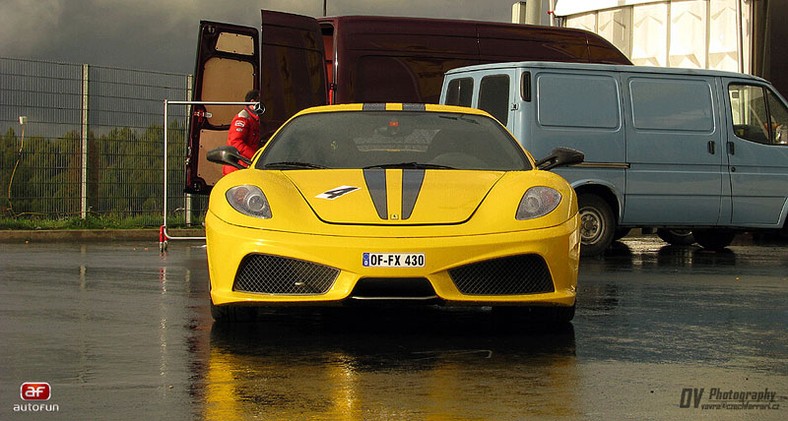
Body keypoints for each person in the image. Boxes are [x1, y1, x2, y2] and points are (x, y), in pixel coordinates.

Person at [223, 89, 263, 175]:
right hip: (237, 168)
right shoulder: (243, 118)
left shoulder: (254, 119)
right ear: (252, 102)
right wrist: (256, 157)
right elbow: (236, 143)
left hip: (244, 166)